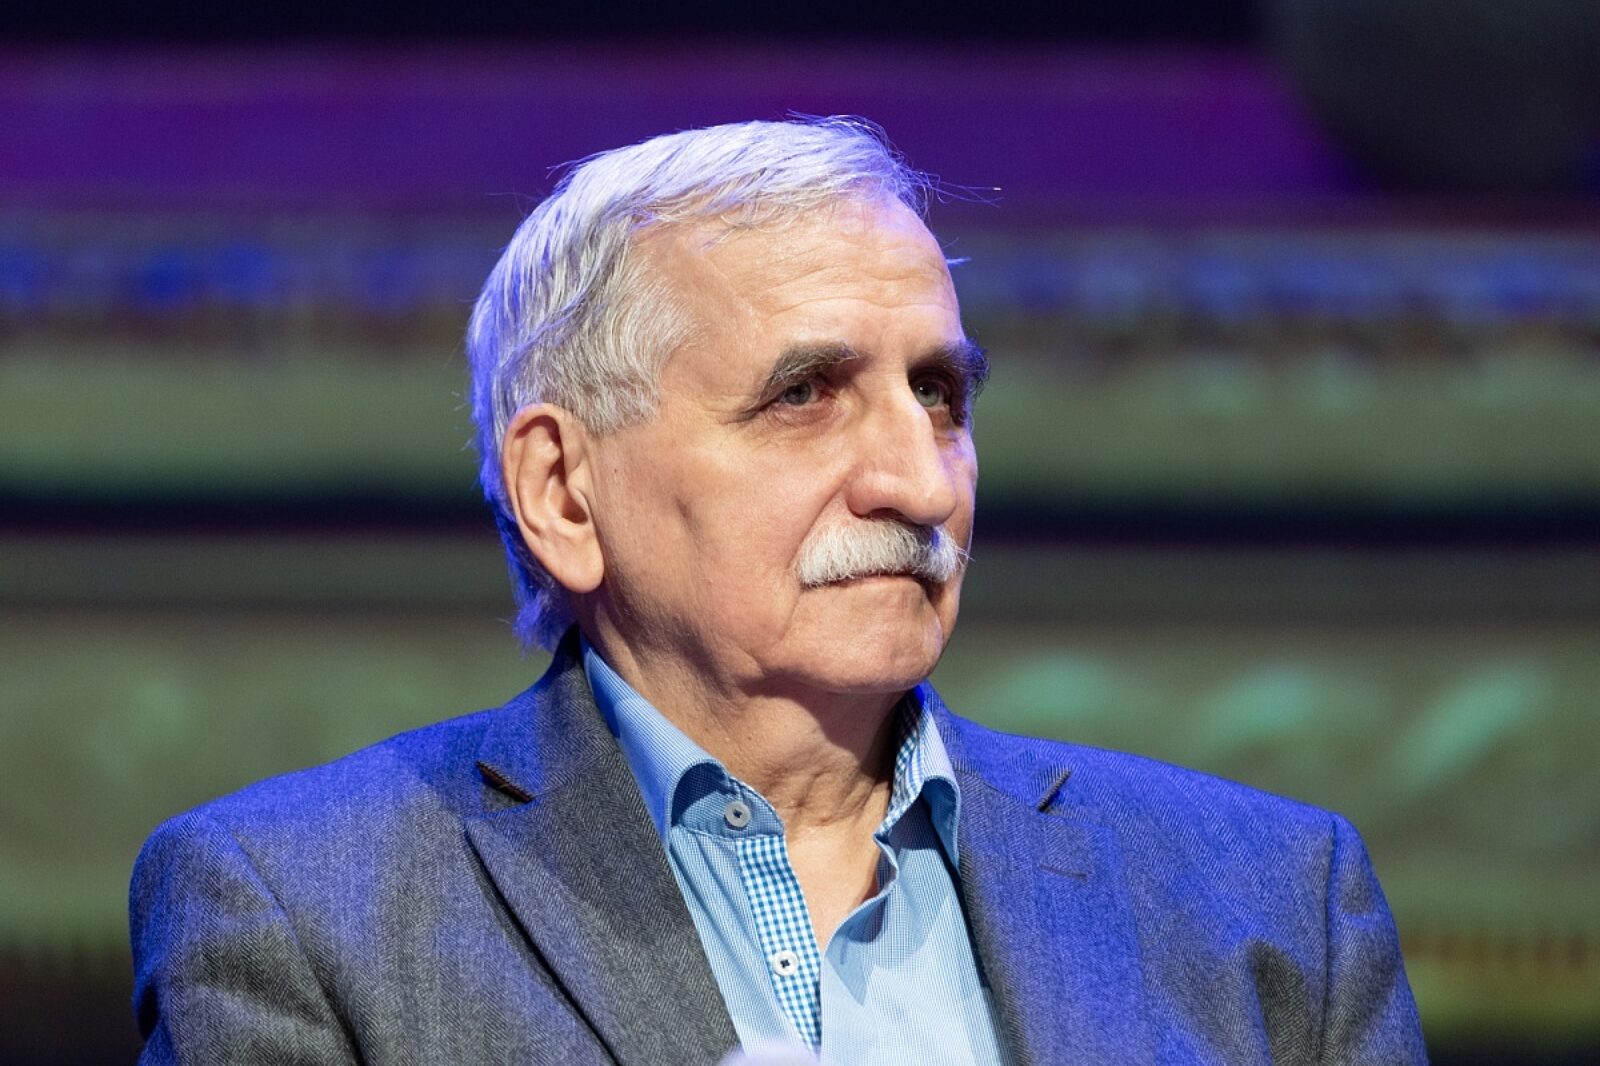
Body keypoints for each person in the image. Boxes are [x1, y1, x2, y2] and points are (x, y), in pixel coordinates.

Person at [130, 117, 1427, 1064]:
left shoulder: (1271, 905)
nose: (919, 481)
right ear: (565, 492)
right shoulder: (306, 915)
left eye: (940, 394)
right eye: (804, 394)